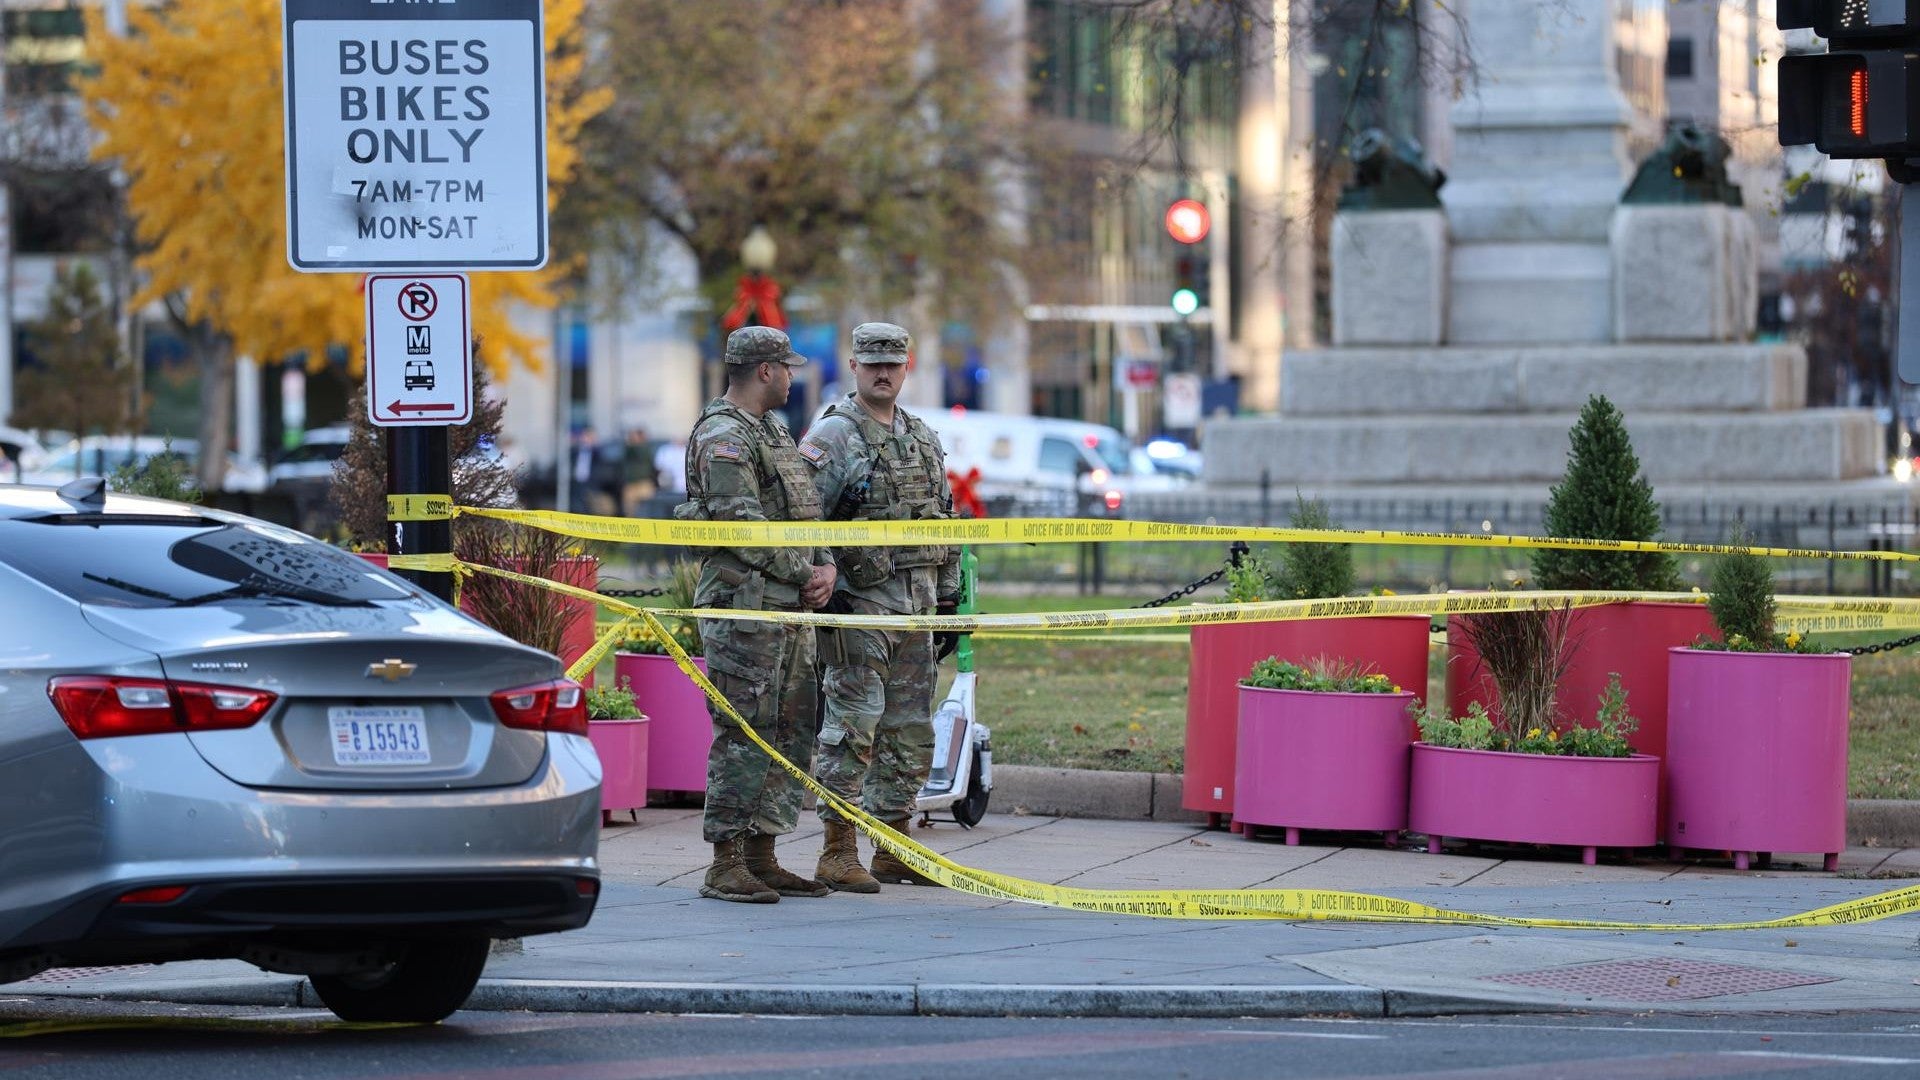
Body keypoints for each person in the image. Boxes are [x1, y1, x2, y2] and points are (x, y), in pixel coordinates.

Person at [675, 326, 839, 903]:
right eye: (787, 367)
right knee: (744, 732)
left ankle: (761, 855)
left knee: (790, 731)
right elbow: (742, 526)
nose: (793, 377)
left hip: (788, 609)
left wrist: (826, 565)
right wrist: (806, 571)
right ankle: (725, 862)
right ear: (765, 371)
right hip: (744, 612)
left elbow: (804, 512)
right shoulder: (723, 435)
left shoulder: (772, 429)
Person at [798, 322, 961, 891]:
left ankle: (893, 844)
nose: (883, 373)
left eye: (892, 363)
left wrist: (950, 597)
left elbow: (945, 518)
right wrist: (824, 571)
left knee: (908, 731)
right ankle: (837, 849)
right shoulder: (834, 435)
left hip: (917, 609)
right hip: (860, 608)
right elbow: (804, 517)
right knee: (852, 729)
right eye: (873, 364)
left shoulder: (922, 437)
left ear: (907, 366)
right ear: (854, 367)